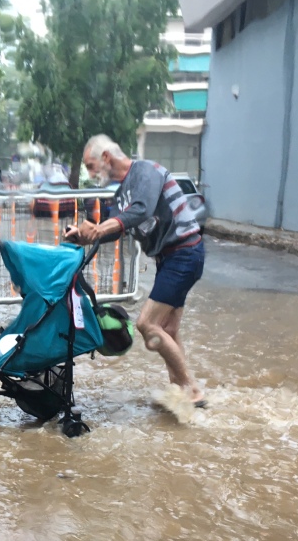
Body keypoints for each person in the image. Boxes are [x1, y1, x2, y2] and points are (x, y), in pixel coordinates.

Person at [64, 134, 206, 407]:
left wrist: (98, 229)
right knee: (168, 329)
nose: (91, 174)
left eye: (91, 166)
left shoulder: (145, 171)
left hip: (184, 254)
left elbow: (141, 211)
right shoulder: (122, 193)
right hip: (169, 259)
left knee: (146, 324)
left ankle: (192, 390)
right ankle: (180, 391)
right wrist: (84, 237)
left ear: (106, 157)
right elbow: (116, 229)